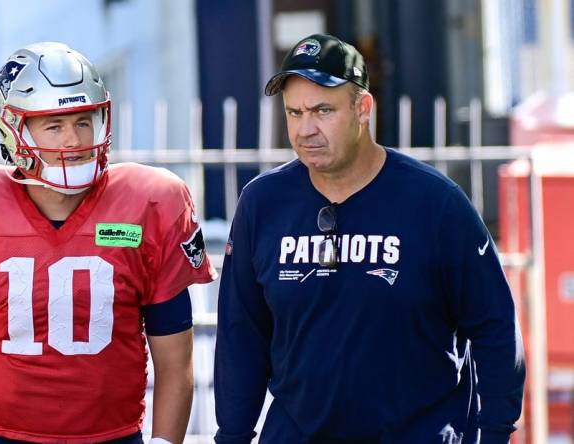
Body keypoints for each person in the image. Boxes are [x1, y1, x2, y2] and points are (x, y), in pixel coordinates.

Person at [0, 42, 216, 444]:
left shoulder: (153, 201)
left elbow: (176, 359)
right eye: (54, 125)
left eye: (84, 121)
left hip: (112, 437)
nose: (73, 139)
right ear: (13, 130)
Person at [213, 33, 525, 443]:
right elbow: (242, 335)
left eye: (323, 110)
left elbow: (495, 327)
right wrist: (232, 436)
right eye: (294, 113)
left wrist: (496, 432)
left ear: (363, 108)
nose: (306, 129)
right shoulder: (262, 203)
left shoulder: (435, 204)